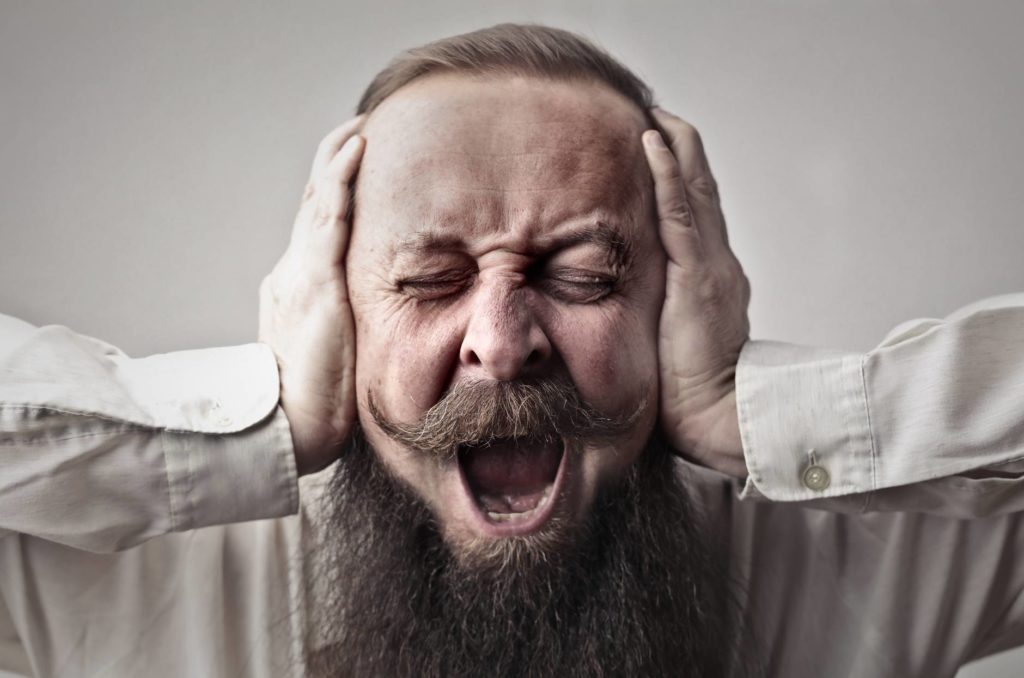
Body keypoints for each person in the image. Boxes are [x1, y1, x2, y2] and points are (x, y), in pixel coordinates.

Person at [1, 23, 1022, 678]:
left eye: (582, 276)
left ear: (677, 303)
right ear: (336, 313)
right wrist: (254, 429)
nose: (501, 343)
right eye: (428, 280)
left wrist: (756, 416)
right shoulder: (117, 573)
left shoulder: (874, 564)